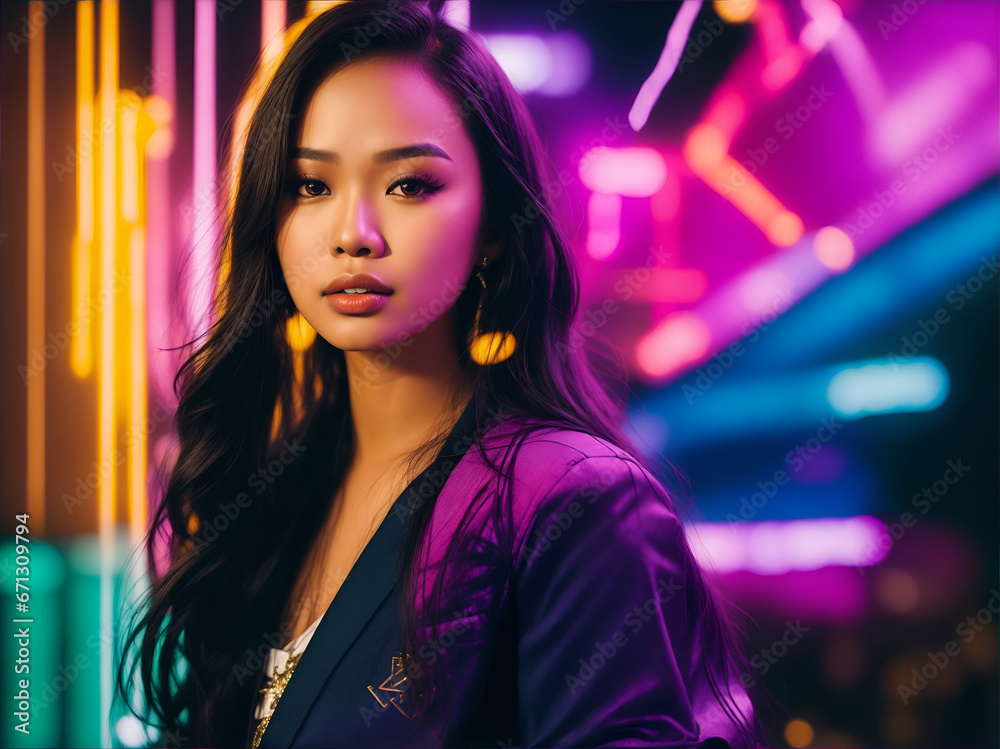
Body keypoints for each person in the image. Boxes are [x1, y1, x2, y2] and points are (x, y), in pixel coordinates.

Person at [117, 1, 763, 747]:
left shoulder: (572, 500)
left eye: (410, 185)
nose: (353, 234)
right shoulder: (271, 496)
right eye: (310, 186)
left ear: (494, 226)